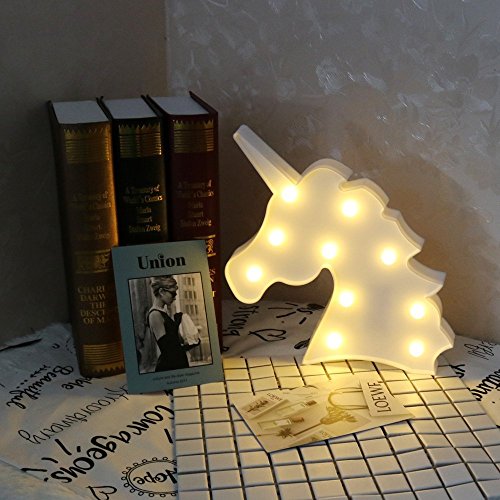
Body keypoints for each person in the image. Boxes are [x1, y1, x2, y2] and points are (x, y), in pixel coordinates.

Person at [147, 275, 200, 372]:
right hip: (169, 366)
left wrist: (192, 342)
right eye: (173, 294)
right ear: (162, 292)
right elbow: (167, 349)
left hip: (177, 363)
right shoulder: (155, 314)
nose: (175, 297)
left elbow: (177, 343)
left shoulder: (164, 312)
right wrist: (176, 324)